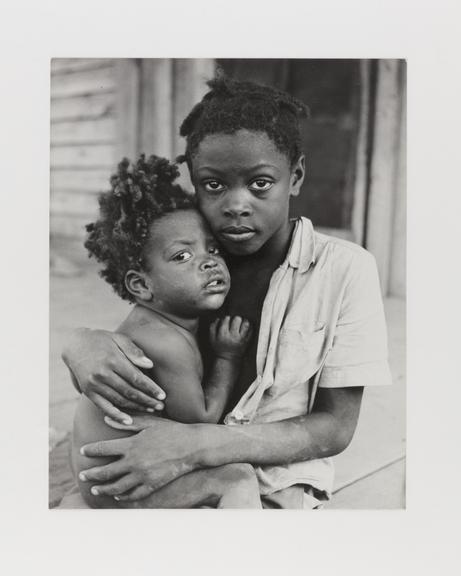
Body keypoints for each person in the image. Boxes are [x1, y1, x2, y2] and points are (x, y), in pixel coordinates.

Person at [62, 75, 392, 509]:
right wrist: (80, 343)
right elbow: (137, 341)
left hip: (272, 477)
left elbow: (335, 428)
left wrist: (194, 445)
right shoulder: (193, 255)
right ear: (195, 182)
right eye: (214, 185)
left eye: (260, 183)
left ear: (296, 176)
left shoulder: (346, 269)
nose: (236, 204)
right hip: (151, 458)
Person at [71, 154, 265, 508]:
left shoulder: (156, 322)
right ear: (141, 285)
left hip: (105, 477)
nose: (208, 261)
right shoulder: (165, 343)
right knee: (237, 476)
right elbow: (201, 422)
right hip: (120, 486)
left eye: (212, 249)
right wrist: (227, 357)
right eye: (182, 257)